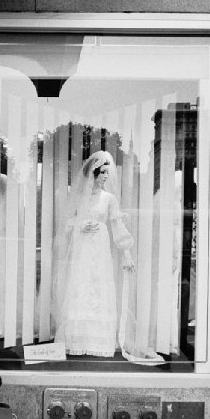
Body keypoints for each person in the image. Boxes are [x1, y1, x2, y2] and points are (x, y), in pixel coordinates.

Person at [52, 150, 135, 357]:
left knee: (99, 285)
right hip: (82, 248)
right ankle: (78, 338)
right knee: (81, 285)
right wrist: (81, 225)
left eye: (108, 173)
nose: (106, 177)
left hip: (100, 247)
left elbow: (117, 225)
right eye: (103, 173)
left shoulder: (109, 199)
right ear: (94, 174)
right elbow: (67, 224)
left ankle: (100, 341)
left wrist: (126, 253)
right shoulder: (81, 198)